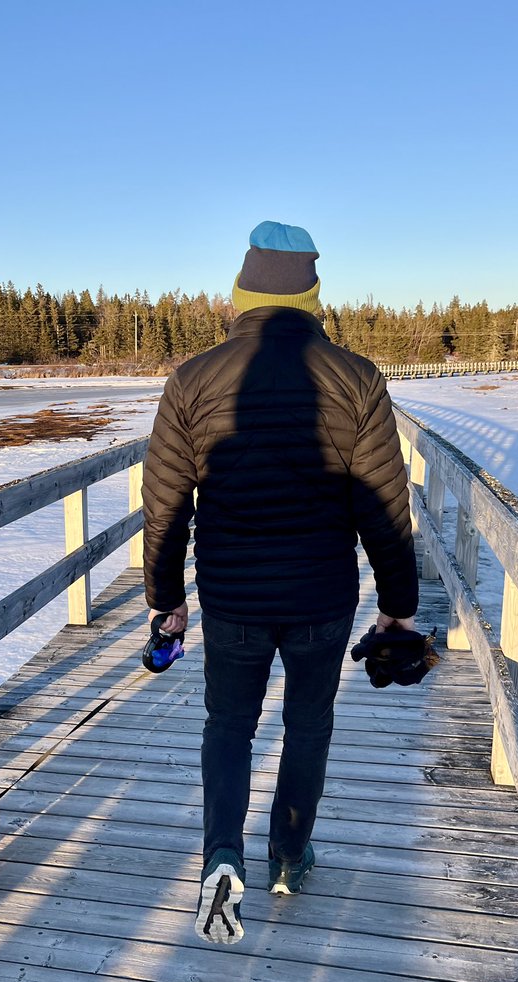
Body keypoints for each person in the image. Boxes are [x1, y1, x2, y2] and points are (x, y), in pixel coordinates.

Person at [142, 221, 419, 945]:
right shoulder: (357, 378)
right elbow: (385, 504)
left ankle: (221, 854)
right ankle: (290, 856)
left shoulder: (191, 381)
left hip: (232, 596)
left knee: (229, 727)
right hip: (322, 599)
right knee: (309, 725)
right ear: (312, 295)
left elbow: (166, 503)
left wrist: (166, 602)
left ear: (241, 293)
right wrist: (398, 608)